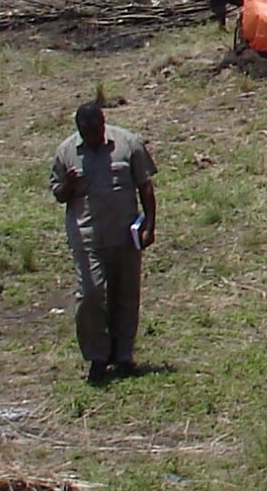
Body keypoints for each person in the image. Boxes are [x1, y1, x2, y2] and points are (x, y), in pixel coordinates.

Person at [49, 102, 157, 382]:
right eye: (85, 134)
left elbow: (145, 185)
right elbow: (59, 194)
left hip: (124, 234)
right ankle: (97, 355)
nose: (91, 138)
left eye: (95, 132)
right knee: (91, 294)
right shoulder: (66, 152)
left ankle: (123, 356)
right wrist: (70, 185)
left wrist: (150, 226)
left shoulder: (128, 143)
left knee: (126, 295)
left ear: (103, 124)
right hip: (87, 236)